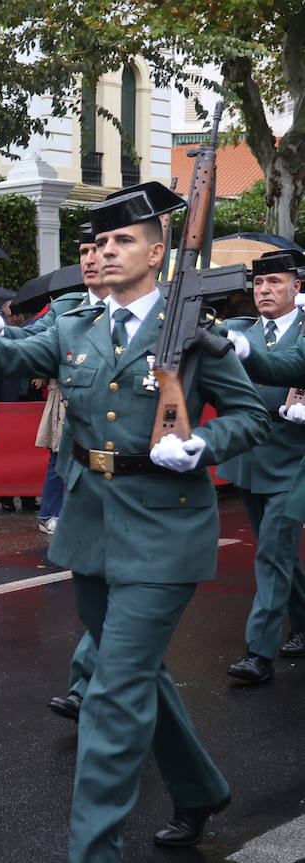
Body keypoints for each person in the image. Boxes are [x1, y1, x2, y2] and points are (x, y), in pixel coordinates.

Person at [0, 185, 269, 859]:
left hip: (164, 530)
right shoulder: (75, 321)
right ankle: (197, 785)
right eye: (100, 242)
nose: (107, 252)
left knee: (111, 693)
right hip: (91, 523)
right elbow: (20, 357)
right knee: (134, 672)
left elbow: (249, 416)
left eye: (122, 241)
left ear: (158, 250)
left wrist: (202, 444)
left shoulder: (192, 324)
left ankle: (93, 849)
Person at [0, 222, 112, 722]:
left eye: (106, 247)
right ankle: (86, 685)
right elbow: (23, 344)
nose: (95, 257)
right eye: (86, 250)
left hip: (146, 484)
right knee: (96, 594)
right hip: (85, 469)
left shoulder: (172, 315)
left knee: (126, 609)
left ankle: (86, 687)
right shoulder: (65, 311)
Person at [220, 248, 305, 680]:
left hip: (295, 461)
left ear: (297, 286)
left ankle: (259, 653)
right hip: (251, 458)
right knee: (279, 554)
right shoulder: (243, 331)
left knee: (272, 555)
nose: (265, 290)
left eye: (275, 282)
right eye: (258, 283)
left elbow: (287, 364)